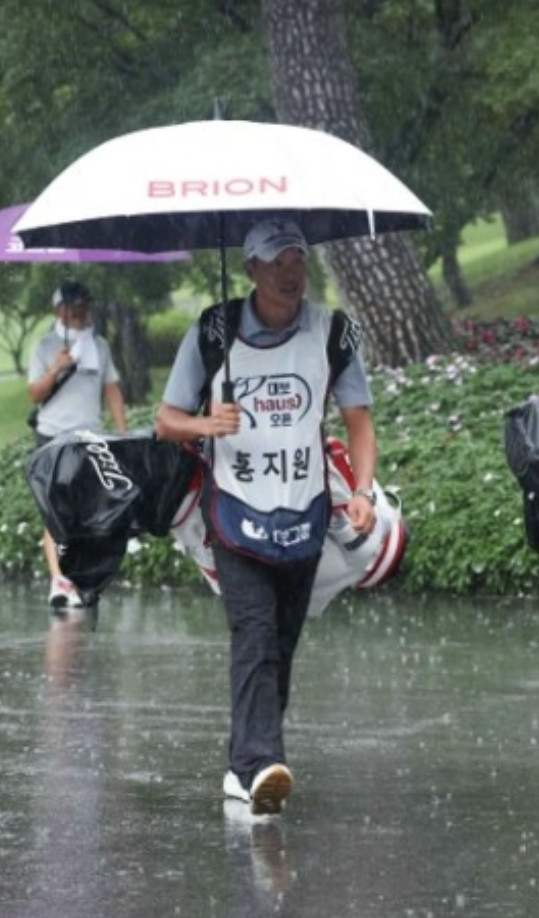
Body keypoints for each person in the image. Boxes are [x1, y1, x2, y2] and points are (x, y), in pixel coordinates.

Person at [154, 218, 378, 817]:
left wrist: (362, 488)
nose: (289, 273)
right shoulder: (213, 331)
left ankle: (243, 765)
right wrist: (208, 425)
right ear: (249, 268)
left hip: (302, 509)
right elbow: (166, 419)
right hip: (233, 511)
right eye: (276, 262)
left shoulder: (333, 333)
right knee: (253, 636)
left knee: (281, 640)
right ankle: (262, 766)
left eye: (297, 260)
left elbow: (358, 419)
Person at [27, 281, 128, 610]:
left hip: (89, 436)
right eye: (72, 305)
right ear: (60, 310)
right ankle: (58, 579)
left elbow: (111, 389)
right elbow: (35, 394)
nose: (79, 310)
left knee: (87, 512)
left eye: (84, 304)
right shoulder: (44, 347)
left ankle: (79, 577)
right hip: (53, 435)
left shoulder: (99, 345)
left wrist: (122, 431)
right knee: (54, 511)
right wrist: (56, 368)